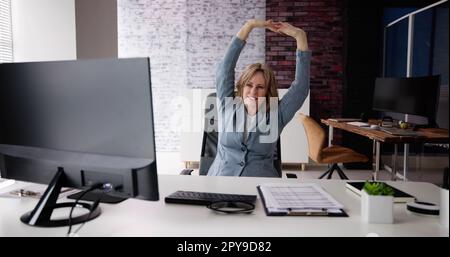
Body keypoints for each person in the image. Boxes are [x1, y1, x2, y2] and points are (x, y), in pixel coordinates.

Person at [207, 19, 310, 177]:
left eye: (260, 87)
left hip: (261, 184)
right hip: (221, 181)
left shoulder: (277, 114)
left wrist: (300, 35)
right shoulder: (227, 104)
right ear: (242, 87)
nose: (253, 92)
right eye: (249, 85)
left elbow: (300, 89)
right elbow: (224, 70)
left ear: (268, 91)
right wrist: (249, 26)